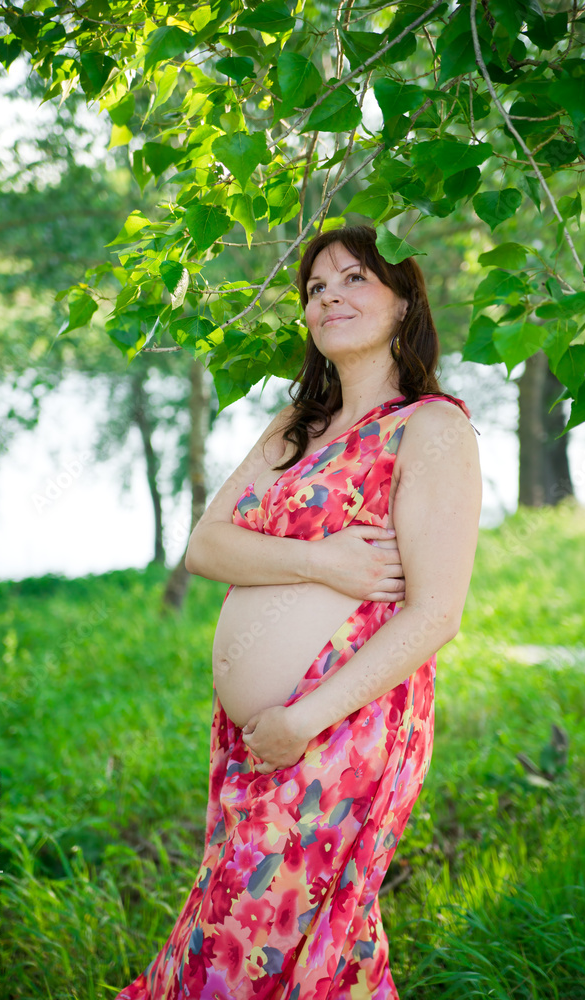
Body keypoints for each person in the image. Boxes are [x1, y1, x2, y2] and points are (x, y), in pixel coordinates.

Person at [116, 224, 482, 999]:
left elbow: (434, 615)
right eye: (316, 288)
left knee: (250, 935)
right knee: (269, 936)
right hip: (253, 738)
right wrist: (323, 562)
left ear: (404, 300)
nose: (329, 298)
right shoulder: (297, 427)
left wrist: (302, 720)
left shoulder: (431, 427)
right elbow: (206, 546)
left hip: (340, 725)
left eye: (353, 279)